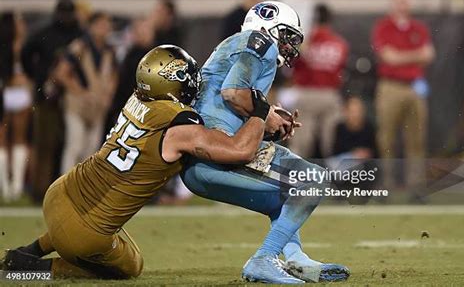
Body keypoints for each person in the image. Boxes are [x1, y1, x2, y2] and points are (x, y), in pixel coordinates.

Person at [2, 45, 271, 279]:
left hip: (60, 193)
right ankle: (35, 270)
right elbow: (241, 150)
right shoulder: (179, 125)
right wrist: (261, 111)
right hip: (84, 232)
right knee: (131, 265)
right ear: (172, 82)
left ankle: (31, 251)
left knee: (82, 227)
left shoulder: (137, 98)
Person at [182, 1, 350, 284]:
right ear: (270, 26)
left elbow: (231, 97)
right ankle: (263, 259)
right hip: (219, 151)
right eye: (288, 36)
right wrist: (264, 113)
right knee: (314, 179)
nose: (290, 46)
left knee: (284, 195)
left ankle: (295, 258)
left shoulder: (238, 45)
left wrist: (268, 116)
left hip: (202, 160)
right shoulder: (258, 41)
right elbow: (234, 93)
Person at [21, 0, 82, 202]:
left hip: (74, 97)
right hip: (49, 97)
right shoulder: (45, 33)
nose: (65, 16)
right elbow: (25, 54)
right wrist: (36, 76)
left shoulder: (80, 35)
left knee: (70, 145)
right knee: (45, 145)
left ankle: (67, 189)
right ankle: (40, 192)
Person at [372, 0, 435, 190]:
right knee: (387, 138)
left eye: (405, 1)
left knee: (416, 139)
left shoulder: (419, 28)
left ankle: (416, 185)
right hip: (391, 86)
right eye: (399, 1)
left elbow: (429, 55)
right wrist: (415, 56)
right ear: (392, 4)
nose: (402, 5)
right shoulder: (383, 27)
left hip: (414, 87)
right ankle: (388, 184)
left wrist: (402, 56)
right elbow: (389, 57)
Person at [55, 12, 117, 174]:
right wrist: (81, 92)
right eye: (101, 25)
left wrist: (108, 94)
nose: (105, 29)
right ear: (91, 26)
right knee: (75, 146)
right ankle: (65, 187)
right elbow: (61, 73)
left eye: (107, 25)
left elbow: (114, 75)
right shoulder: (79, 46)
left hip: (98, 106)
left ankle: (83, 191)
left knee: (91, 151)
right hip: (77, 104)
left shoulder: (109, 49)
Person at [289, 4, 348, 158]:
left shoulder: (304, 41)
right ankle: (335, 179)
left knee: (301, 146)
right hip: (330, 94)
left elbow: (291, 65)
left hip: (306, 93)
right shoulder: (339, 43)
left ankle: (296, 178)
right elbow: (342, 70)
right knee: (332, 144)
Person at [0, 12, 31, 202]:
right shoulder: (21, 46)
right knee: (16, 140)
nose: (23, 25)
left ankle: (8, 187)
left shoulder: (14, 46)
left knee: (5, 141)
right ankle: (14, 187)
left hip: (7, 91)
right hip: (16, 92)